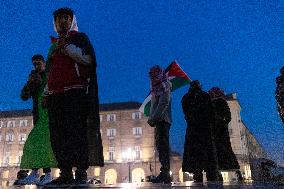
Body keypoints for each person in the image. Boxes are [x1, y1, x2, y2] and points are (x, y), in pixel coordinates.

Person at [44, 8, 103, 185]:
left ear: (71, 21)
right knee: (58, 134)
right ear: (55, 23)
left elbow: (89, 60)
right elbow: (51, 72)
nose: (62, 21)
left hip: (75, 92)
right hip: (56, 95)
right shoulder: (54, 46)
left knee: (76, 132)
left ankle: (81, 172)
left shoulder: (80, 38)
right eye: (59, 18)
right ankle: (65, 172)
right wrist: (46, 92)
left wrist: (67, 48)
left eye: (66, 18)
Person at [19, 55, 57, 185]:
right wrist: (29, 84)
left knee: (44, 142)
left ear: (44, 63)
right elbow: (23, 96)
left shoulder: (49, 75)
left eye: (38, 63)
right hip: (37, 113)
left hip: (48, 113)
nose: (36, 66)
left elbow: (54, 90)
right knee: (37, 142)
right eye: (34, 64)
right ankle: (36, 173)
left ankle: (46, 174)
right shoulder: (33, 77)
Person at [181, 80, 218, 183]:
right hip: (205, 128)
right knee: (207, 151)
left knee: (195, 152)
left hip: (193, 128)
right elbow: (212, 112)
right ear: (200, 86)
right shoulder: (205, 96)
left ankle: (198, 174)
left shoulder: (186, 97)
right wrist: (213, 125)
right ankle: (211, 175)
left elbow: (186, 113)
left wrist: (191, 119)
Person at [208, 87, 243, 182]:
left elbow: (226, 117)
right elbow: (228, 117)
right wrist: (222, 122)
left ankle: (220, 174)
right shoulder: (219, 102)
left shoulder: (216, 103)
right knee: (226, 150)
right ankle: (236, 172)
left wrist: (219, 122)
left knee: (219, 151)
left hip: (218, 131)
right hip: (220, 131)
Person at [147, 65, 172, 184]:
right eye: (150, 75)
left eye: (153, 74)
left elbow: (164, 103)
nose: (151, 77)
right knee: (160, 146)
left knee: (163, 146)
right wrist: (151, 118)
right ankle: (164, 172)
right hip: (158, 120)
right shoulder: (155, 88)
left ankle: (166, 173)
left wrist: (154, 118)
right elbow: (153, 105)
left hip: (163, 119)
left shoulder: (165, 85)